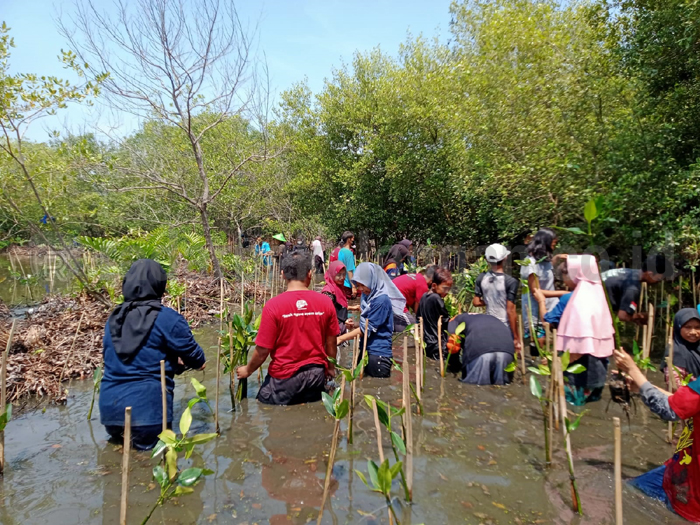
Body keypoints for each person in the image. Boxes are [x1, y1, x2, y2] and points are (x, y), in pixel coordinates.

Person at [99, 259, 206, 450]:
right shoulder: (168, 318)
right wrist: (188, 363)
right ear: (160, 286)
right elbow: (197, 359)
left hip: (110, 411)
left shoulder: (113, 319)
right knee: (154, 466)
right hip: (148, 412)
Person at [237, 252, 339, 405]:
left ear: (282, 275)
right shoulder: (325, 302)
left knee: (261, 404)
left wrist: (248, 370)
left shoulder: (273, 306)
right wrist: (331, 368)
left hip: (284, 380)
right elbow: (331, 343)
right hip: (316, 377)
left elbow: (263, 350)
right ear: (310, 274)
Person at [614, 348, 700, 522]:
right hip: (680, 467)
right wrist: (644, 387)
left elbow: (668, 410)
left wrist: (634, 370)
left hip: (692, 482)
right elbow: (681, 404)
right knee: (632, 488)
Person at [543, 255, 614, 405]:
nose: (563, 279)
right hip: (598, 371)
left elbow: (580, 346)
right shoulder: (598, 295)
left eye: (565, 274)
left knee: (570, 413)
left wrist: (556, 364)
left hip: (579, 374)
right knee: (589, 414)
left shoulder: (581, 300)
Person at [337, 263, 406, 378]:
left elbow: (366, 329)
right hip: (366, 350)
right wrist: (355, 325)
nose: (361, 289)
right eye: (358, 285)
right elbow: (370, 323)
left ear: (372, 280)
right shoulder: (369, 297)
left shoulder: (381, 300)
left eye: (363, 285)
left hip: (378, 353)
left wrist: (340, 338)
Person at [520, 228, 565, 353]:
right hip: (535, 306)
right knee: (540, 338)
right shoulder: (530, 263)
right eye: (552, 244)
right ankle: (540, 362)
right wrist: (563, 293)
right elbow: (536, 291)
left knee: (559, 331)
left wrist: (557, 257)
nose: (554, 247)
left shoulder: (544, 259)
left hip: (551, 304)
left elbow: (548, 267)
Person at [472, 243, 521, 352]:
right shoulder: (511, 282)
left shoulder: (481, 278)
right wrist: (516, 338)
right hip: (504, 326)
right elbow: (511, 310)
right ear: (505, 258)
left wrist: (490, 300)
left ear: (487, 260)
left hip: (488, 323)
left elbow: (475, 302)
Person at [602, 254, 671, 325]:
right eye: (658, 279)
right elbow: (622, 316)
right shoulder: (633, 288)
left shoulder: (627, 272)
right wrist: (639, 316)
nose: (658, 282)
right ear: (650, 273)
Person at [447, 313, 515, 385]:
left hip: (481, 352)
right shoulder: (491, 317)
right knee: (501, 386)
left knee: (474, 387)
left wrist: (455, 366)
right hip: (507, 351)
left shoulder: (454, 320)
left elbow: (453, 346)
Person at [416, 267, 459, 372]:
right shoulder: (436, 299)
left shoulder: (424, 297)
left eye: (449, 289)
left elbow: (418, 318)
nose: (447, 292)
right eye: (445, 288)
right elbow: (446, 321)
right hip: (438, 345)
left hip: (427, 344)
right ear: (434, 285)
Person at [662, 309, 700, 388]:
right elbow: (675, 387)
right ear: (678, 327)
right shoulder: (675, 353)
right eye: (687, 327)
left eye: (697, 327)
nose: (693, 332)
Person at [393, 265, 436, 332]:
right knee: (413, 328)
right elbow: (418, 308)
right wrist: (421, 321)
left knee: (401, 325)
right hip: (395, 301)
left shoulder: (417, 277)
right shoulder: (423, 285)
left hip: (391, 298)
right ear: (432, 282)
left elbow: (413, 304)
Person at [321, 261, 359, 336]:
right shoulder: (328, 292)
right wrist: (344, 323)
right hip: (332, 331)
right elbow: (328, 314)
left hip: (340, 328)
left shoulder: (339, 288)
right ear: (333, 274)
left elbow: (338, 307)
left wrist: (352, 308)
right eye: (338, 275)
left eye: (344, 274)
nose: (342, 278)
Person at [337, 231, 357, 298]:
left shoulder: (341, 251)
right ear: (348, 239)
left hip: (342, 282)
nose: (353, 241)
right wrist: (353, 286)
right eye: (352, 239)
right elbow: (349, 270)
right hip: (348, 284)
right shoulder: (349, 253)